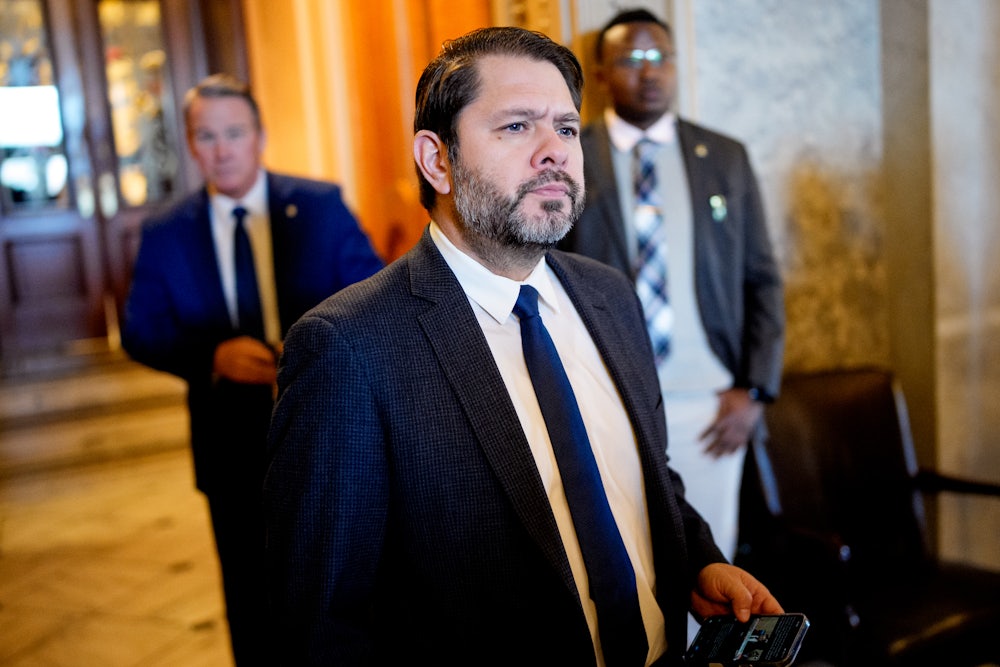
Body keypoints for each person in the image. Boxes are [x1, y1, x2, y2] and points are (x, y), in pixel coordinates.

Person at [264, 26, 782, 666]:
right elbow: (319, 624)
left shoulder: (611, 298)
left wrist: (699, 559)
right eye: (516, 127)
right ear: (437, 160)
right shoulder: (348, 348)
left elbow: (642, 479)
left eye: (566, 129)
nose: (554, 153)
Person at [121, 73, 383, 665]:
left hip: (325, 430)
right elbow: (140, 329)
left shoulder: (317, 205)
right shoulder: (166, 231)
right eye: (206, 135)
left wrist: (316, 355)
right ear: (190, 144)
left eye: (234, 133)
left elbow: (372, 292)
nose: (222, 149)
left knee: (338, 588)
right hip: (229, 439)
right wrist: (208, 356)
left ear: (259, 135)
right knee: (249, 596)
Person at [558, 9, 785, 566]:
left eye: (661, 56)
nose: (650, 71)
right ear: (602, 72)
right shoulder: (569, 156)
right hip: (607, 396)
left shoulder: (723, 158)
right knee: (620, 566)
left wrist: (754, 390)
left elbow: (762, 278)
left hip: (710, 409)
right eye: (631, 59)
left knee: (710, 569)